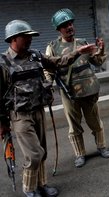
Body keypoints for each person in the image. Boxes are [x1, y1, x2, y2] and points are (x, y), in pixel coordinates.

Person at [0, 20, 96, 197]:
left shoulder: (35, 55)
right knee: (34, 154)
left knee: (42, 152)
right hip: (20, 116)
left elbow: (59, 62)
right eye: (26, 37)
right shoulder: (3, 63)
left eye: (30, 37)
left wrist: (78, 52)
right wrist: (2, 124)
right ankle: (29, 189)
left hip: (38, 111)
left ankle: (41, 185)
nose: (30, 40)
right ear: (13, 39)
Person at [44, 8, 109, 168]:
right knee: (74, 127)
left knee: (95, 122)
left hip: (89, 90)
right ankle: (80, 154)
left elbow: (97, 62)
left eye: (70, 23)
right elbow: (48, 69)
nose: (69, 27)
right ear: (58, 29)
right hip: (69, 93)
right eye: (64, 25)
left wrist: (101, 49)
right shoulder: (52, 47)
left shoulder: (83, 42)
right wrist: (48, 86)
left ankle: (102, 147)